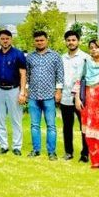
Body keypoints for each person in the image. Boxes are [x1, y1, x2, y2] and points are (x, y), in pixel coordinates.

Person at [25, 31, 64, 160]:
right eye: (37, 40)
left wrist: (58, 91)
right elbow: (27, 75)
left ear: (47, 40)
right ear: (34, 42)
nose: (39, 42)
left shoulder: (55, 56)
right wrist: (26, 90)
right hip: (33, 96)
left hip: (49, 96)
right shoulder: (30, 57)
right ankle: (36, 150)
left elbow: (60, 75)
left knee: (51, 126)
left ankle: (51, 152)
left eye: (42, 40)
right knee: (34, 125)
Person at [77, 39, 99, 171]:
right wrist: (77, 98)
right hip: (87, 101)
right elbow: (79, 80)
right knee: (89, 132)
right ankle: (96, 160)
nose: (93, 50)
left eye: (96, 47)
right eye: (91, 47)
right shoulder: (87, 63)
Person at [0, 29, 27, 156]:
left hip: (14, 90)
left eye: (7, 38)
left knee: (15, 120)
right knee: (0, 119)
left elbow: (23, 74)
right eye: (2, 39)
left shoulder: (18, 54)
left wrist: (22, 92)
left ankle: (17, 147)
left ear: (11, 39)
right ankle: (3, 146)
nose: (5, 41)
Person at [60, 30, 90, 161]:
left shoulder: (85, 57)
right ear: (65, 42)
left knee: (84, 126)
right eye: (68, 40)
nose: (71, 42)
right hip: (65, 97)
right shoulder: (62, 58)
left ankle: (85, 153)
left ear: (78, 41)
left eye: (73, 40)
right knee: (67, 126)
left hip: (81, 98)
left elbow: (86, 78)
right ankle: (68, 152)